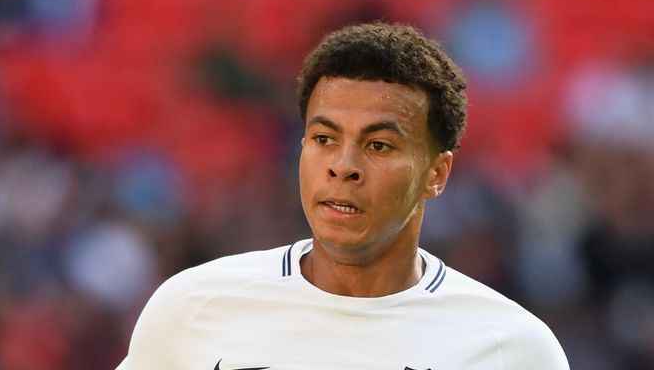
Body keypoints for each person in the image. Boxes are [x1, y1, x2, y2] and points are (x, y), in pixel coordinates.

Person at [116, 22, 570, 369]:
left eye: (378, 145)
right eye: (324, 139)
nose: (343, 165)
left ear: (437, 173)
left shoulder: (512, 348)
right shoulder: (193, 307)